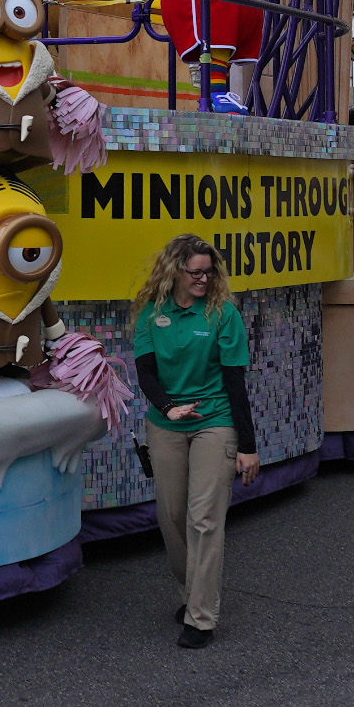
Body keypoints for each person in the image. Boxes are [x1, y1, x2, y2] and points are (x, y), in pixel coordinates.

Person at [131, 233, 258, 649]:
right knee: (171, 516)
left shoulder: (223, 314)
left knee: (204, 518)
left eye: (209, 272)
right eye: (196, 273)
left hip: (215, 422)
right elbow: (146, 372)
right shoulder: (151, 314)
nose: (204, 279)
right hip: (166, 423)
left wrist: (247, 446)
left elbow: (236, 384)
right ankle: (190, 592)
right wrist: (168, 408)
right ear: (175, 272)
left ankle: (201, 617)